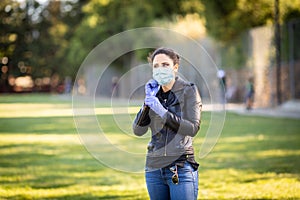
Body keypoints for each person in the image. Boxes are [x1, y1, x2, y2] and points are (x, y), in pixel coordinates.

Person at [132, 47, 202, 200]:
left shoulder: (189, 90)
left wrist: (162, 111)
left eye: (165, 64)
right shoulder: (154, 94)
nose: (160, 69)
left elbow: (192, 128)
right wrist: (147, 103)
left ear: (175, 67)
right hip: (154, 169)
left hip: (180, 167)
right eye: (156, 66)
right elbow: (138, 130)